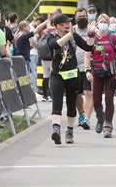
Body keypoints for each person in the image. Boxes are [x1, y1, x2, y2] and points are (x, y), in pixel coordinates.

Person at [47, 14, 93, 145]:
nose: (67, 25)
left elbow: (88, 48)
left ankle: (70, 131)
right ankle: (56, 130)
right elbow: (55, 45)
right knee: (57, 103)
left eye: (68, 23)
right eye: (63, 24)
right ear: (56, 26)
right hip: (57, 75)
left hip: (72, 74)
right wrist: (70, 35)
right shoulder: (51, 36)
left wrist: (91, 36)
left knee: (71, 105)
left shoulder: (74, 36)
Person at [84, 14, 116, 138]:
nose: (103, 23)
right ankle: (100, 118)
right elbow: (87, 55)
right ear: (97, 23)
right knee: (96, 99)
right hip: (97, 71)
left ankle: (108, 124)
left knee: (109, 98)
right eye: (101, 21)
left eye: (105, 21)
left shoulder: (113, 37)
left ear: (108, 24)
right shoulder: (92, 38)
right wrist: (87, 71)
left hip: (111, 71)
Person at [74, 8, 92, 130]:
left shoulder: (92, 30)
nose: (82, 18)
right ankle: (81, 114)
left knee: (88, 93)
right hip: (73, 67)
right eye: (79, 16)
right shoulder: (72, 30)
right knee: (77, 94)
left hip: (89, 67)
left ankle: (87, 119)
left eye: (84, 16)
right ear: (75, 18)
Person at [14, 20, 40, 92]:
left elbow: (23, 48)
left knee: (25, 77)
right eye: (28, 26)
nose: (30, 27)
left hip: (22, 59)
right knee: (26, 77)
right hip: (23, 60)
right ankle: (28, 92)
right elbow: (37, 30)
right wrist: (48, 20)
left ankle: (25, 93)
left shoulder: (20, 35)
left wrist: (31, 46)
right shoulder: (23, 36)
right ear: (23, 27)